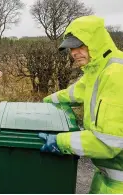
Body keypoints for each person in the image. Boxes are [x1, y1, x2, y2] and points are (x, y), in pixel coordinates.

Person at [39, 15, 123, 193]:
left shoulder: (116, 75)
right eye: (71, 48)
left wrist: (60, 142)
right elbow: (73, 93)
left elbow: (107, 142)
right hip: (107, 176)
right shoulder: (97, 70)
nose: (74, 53)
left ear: (96, 42)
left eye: (79, 45)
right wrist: (46, 103)